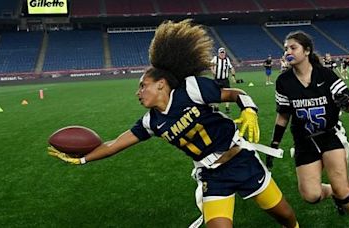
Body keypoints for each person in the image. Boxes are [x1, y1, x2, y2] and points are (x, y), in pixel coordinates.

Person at [48, 19, 299, 228]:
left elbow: (234, 94)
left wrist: (249, 110)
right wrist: (83, 159)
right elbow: (114, 144)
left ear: (161, 84)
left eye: (142, 86)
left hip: (241, 161)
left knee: (286, 216)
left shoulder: (190, 89)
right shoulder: (151, 122)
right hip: (213, 175)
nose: (138, 93)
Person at [265, 31, 349, 228]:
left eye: (293, 48)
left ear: (307, 50)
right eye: (286, 48)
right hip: (304, 141)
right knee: (311, 196)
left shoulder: (325, 74)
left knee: (344, 190)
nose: (288, 52)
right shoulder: (283, 81)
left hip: (329, 135)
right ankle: (334, 193)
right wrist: (274, 143)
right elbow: (283, 115)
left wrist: (346, 103)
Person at [210, 47, 236, 113]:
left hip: (225, 79)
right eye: (221, 53)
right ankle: (216, 107)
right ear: (218, 53)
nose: (222, 54)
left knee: (227, 93)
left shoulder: (227, 59)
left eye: (223, 53)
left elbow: (231, 68)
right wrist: (212, 70)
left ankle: (227, 107)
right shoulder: (215, 58)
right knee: (216, 92)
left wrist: (233, 76)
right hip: (217, 79)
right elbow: (211, 64)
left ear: (225, 53)